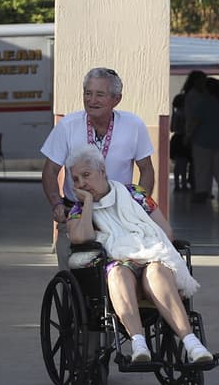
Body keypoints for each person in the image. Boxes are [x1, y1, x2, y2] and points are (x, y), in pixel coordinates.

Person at [65, 145, 214, 365]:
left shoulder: (135, 195)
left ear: (103, 171)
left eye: (86, 175)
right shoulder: (78, 209)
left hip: (150, 258)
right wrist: (88, 203)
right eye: (76, 180)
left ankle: (192, 344)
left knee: (156, 271)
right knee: (118, 273)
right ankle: (138, 344)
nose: (82, 184)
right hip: (116, 266)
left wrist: (140, 250)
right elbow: (81, 237)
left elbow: (165, 232)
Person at [41, 67, 155, 266]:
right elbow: (50, 171)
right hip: (76, 211)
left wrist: (137, 204)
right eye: (87, 93)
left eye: (99, 94)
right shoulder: (68, 125)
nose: (92, 100)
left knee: (120, 273)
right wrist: (56, 204)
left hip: (117, 212)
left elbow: (146, 169)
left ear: (116, 99)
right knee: (71, 273)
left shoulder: (133, 125)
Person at [186, 77, 219, 204]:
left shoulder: (203, 103)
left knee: (203, 168)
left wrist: (188, 136)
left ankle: (202, 192)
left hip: (202, 141)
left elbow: (195, 121)